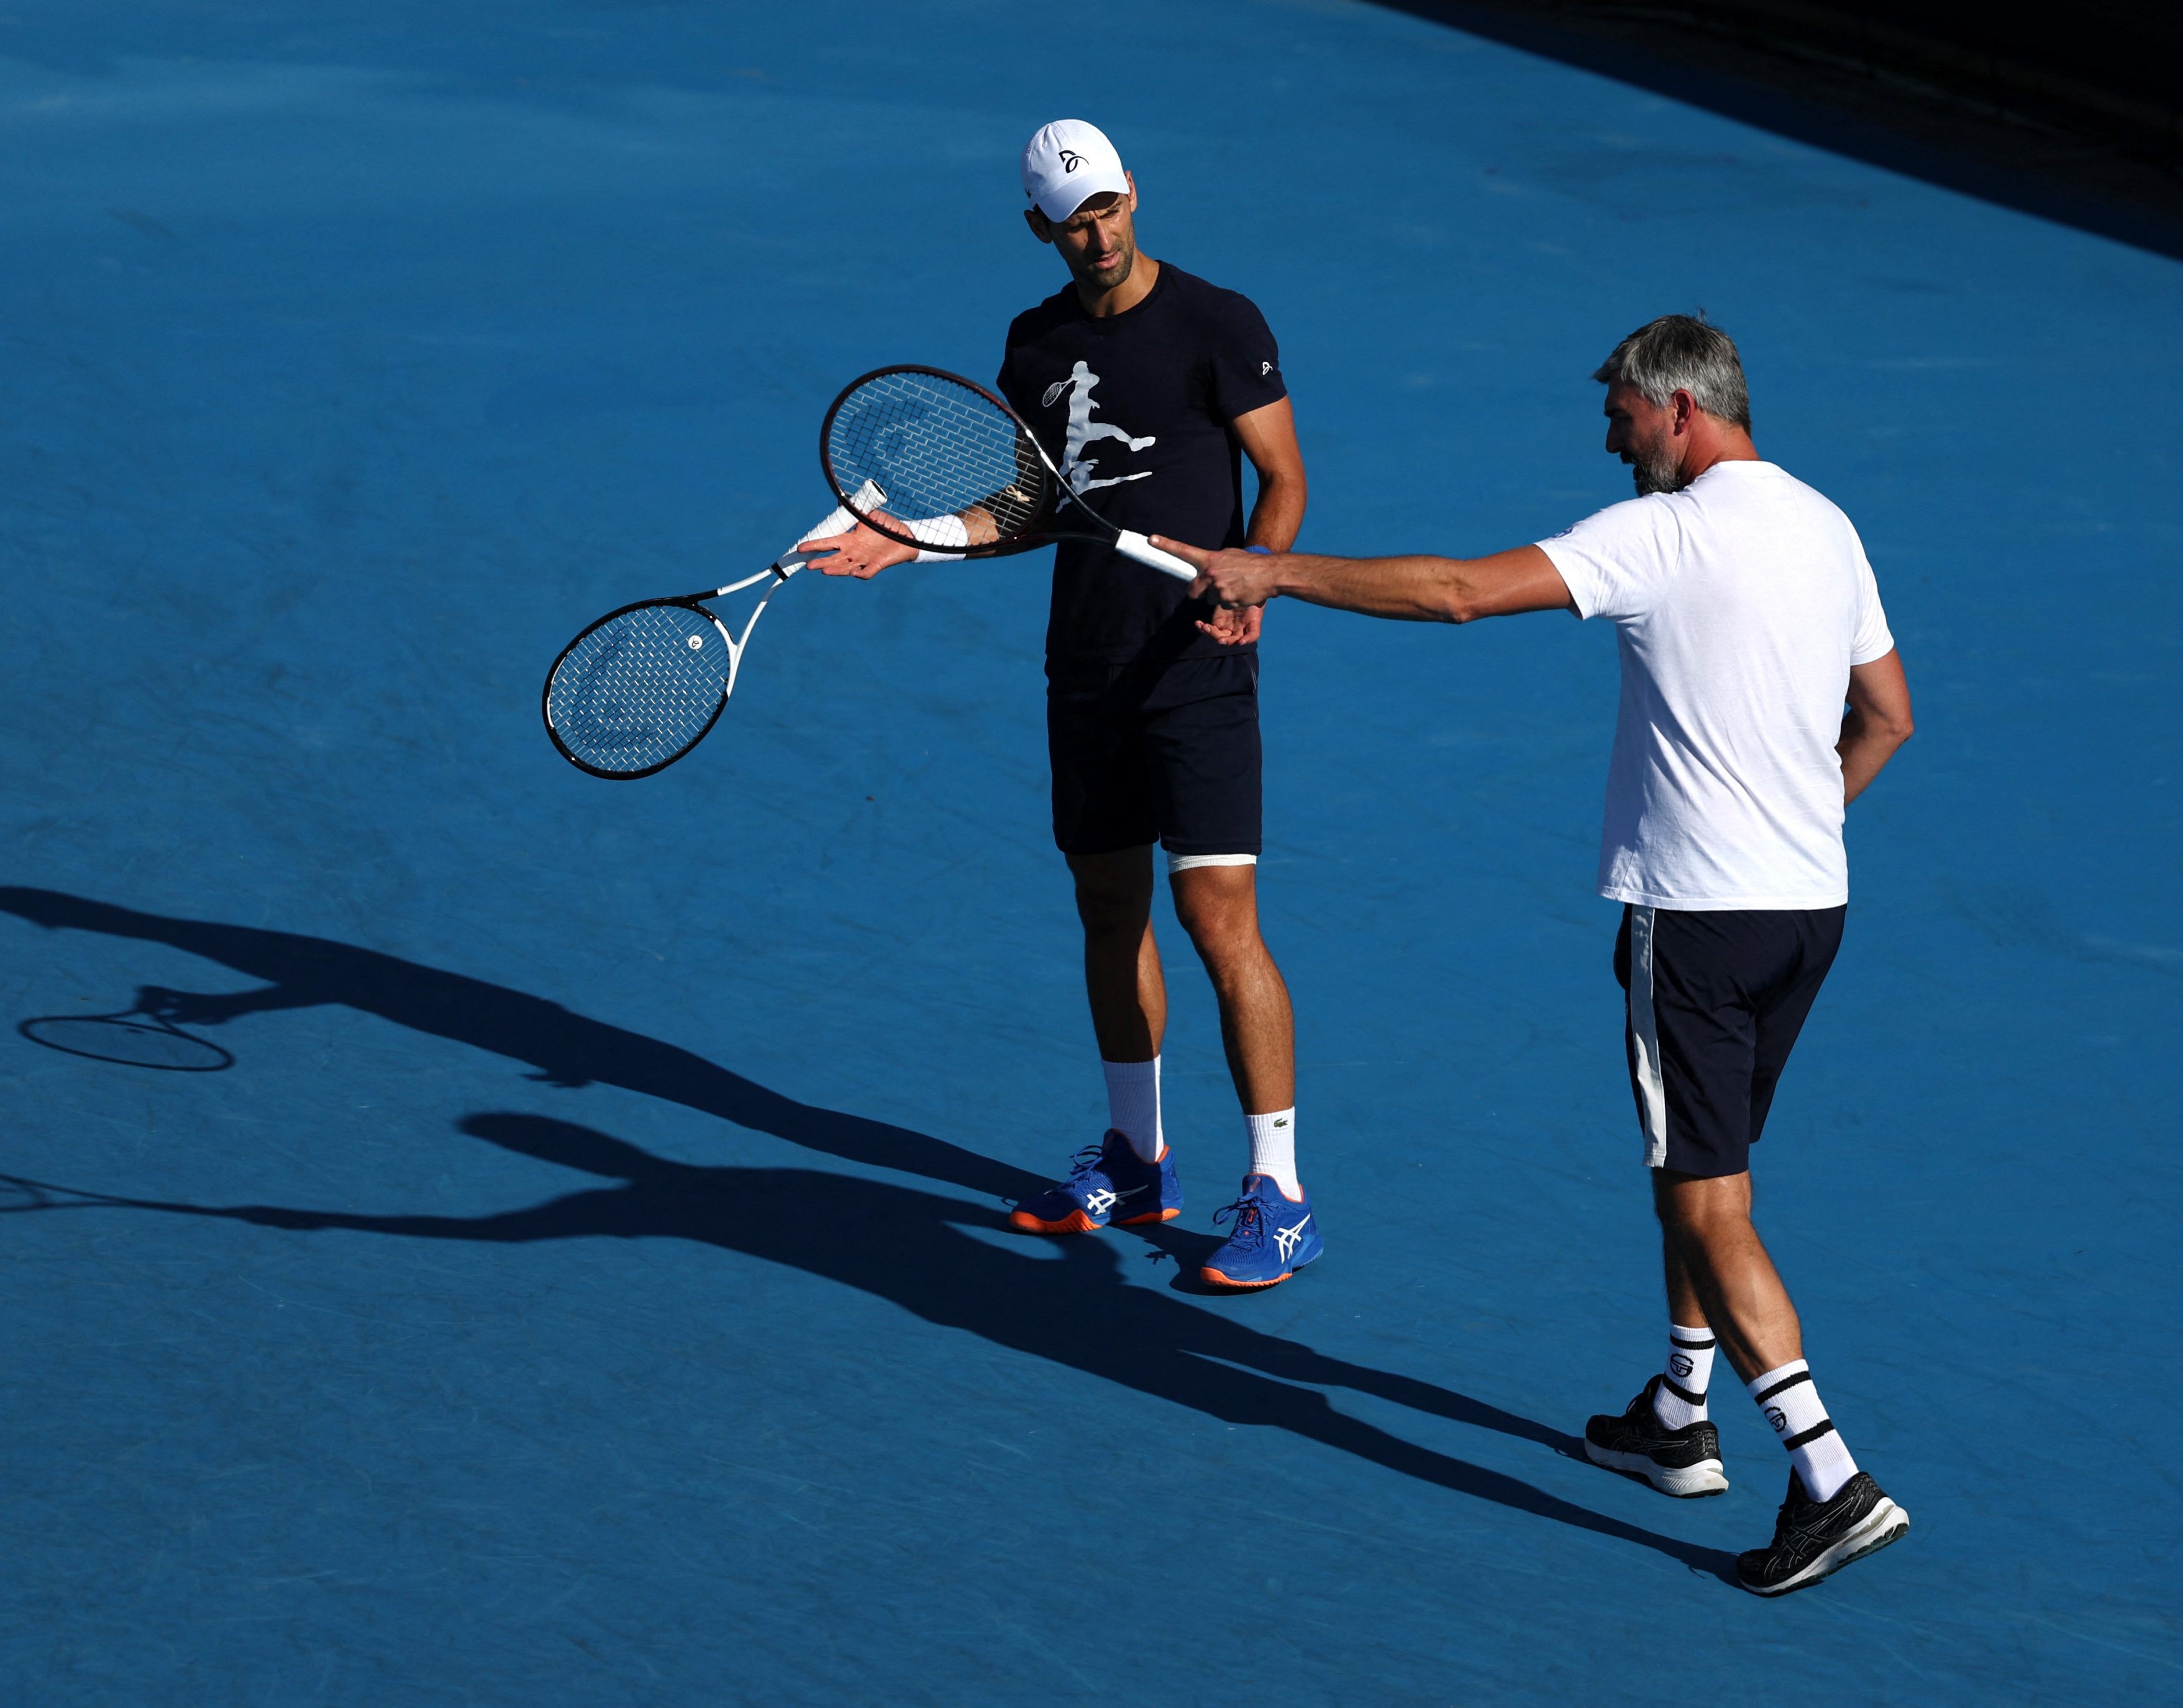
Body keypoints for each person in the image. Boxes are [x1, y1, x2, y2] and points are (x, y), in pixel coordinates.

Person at [1153, 315, 1915, 1594]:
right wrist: (1796, 815)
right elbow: (1886, 715)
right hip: (1806, 912)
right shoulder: (1827, 526)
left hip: (1702, 920)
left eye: (1621, 411)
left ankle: (1829, 1476)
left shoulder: (1664, 533)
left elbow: (1456, 591)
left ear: (1681, 409)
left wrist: (1273, 574)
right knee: (1701, 1161)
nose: (1607, 436)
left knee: (1708, 1198)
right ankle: (1680, 1411)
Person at [798, 119, 1320, 1288]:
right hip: (1083, 667)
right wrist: (911, 538)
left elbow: (1280, 481)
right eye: (1072, 219)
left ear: (1134, 192)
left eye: (1108, 207)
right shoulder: (1031, 344)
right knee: (1105, 909)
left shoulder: (1216, 322)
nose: (1097, 233)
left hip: (1196, 661)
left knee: (1218, 920)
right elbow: (1029, 506)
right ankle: (1138, 1157)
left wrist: (1259, 583)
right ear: (1038, 226)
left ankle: (1278, 1191)